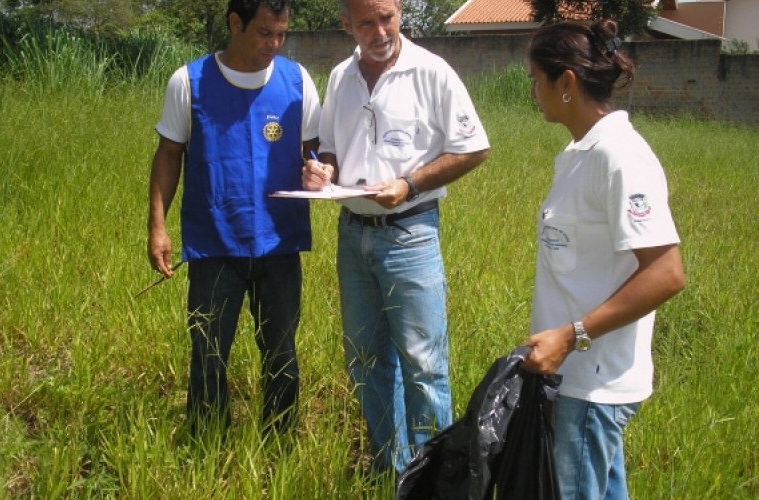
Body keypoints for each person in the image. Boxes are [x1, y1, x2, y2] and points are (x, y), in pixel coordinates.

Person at [302, 0, 490, 475]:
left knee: (424, 367)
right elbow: (331, 146)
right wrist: (325, 170)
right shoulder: (341, 77)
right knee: (366, 361)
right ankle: (390, 466)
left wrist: (410, 184)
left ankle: (434, 478)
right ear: (347, 25)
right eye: (366, 22)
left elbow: (473, 147)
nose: (380, 30)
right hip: (353, 234)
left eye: (387, 16)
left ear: (400, 11)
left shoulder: (432, 72)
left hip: (411, 234)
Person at [520, 19, 686, 500]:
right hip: (574, 382)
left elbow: (666, 272)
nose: (532, 91)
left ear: (566, 83)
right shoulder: (580, 154)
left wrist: (572, 337)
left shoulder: (619, 157)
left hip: (591, 387)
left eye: (536, 79)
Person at [147, 0, 321, 435]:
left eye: (282, 34)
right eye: (265, 33)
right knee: (207, 352)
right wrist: (158, 227)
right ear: (235, 23)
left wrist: (319, 170)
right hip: (213, 245)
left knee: (281, 353)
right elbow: (168, 155)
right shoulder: (189, 82)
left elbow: (316, 152)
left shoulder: (297, 81)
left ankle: (280, 440)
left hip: (280, 244)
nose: (274, 44)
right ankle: (207, 442)